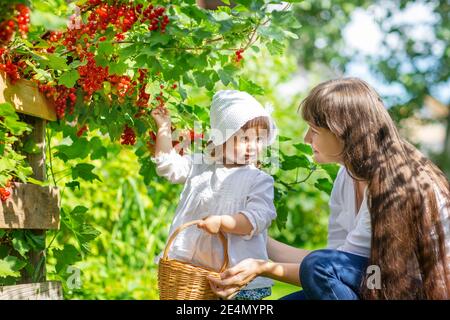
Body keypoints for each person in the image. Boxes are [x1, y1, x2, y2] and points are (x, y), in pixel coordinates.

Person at [207, 77, 450, 300]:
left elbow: (327, 268)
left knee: (318, 266)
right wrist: (255, 237)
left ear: (343, 131)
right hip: (372, 280)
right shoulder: (347, 176)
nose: (306, 139)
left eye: (314, 130)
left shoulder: (394, 182)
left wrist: (264, 269)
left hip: (410, 290)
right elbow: (338, 263)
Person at [151, 90, 278, 300]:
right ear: (221, 139)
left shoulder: (258, 180)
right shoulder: (201, 166)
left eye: (259, 140)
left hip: (235, 278)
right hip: (191, 273)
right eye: (244, 138)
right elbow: (167, 165)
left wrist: (222, 222)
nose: (253, 147)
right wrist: (164, 127)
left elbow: (257, 219)